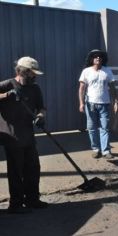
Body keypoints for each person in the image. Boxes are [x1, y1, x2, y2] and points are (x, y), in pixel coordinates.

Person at [0, 56, 48, 214]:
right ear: (22, 71)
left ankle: (32, 199)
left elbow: (42, 108)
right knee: (15, 171)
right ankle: (16, 204)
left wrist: (41, 117)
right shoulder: (7, 85)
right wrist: (6, 95)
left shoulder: (35, 88)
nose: (34, 76)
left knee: (33, 168)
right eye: (31, 73)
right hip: (11, 136)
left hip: (28, 136)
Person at [78, 49, 118, 159]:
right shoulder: (86, 71)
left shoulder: (107, 71)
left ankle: (106, 151)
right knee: (91, 128)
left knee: (104, 127)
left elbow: (113, 87)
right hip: (90, 104)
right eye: (95, 56)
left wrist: (115, 101)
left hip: (104, 104)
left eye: (100, 56)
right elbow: (82, 89)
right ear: (91, 59)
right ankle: (96, 149)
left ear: (103, 59)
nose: (98, 58)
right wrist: (81, 103)